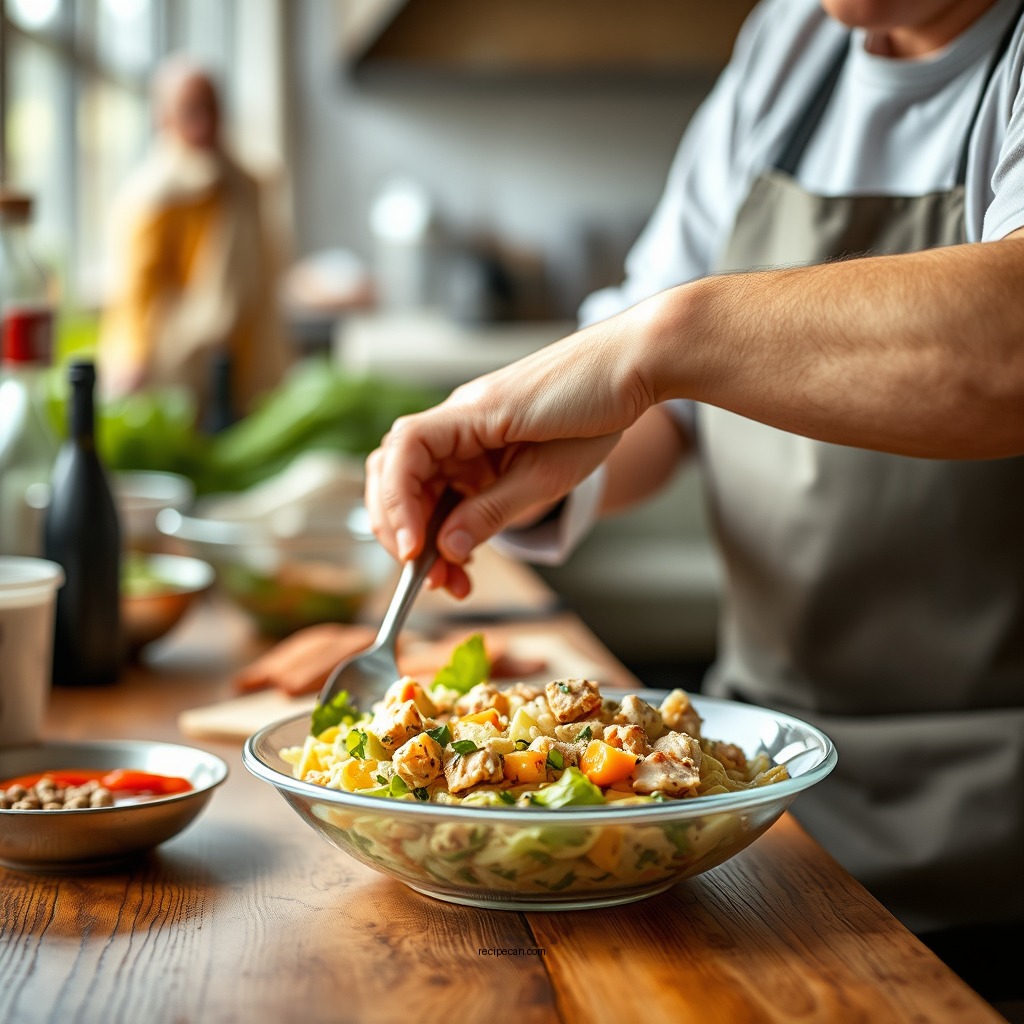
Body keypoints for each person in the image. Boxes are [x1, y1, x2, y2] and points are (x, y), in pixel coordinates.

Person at [365, 0, 1024, 1002]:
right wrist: (517, 465)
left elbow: (1003, 350)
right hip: (751, 809)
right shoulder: (789, 47)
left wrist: (661, 342)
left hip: (994, 845)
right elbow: (658, 408)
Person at [98, 54, 290, 420]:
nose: (204, 124)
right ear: (164, 118)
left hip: (246, 364)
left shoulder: (243, 185)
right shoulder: (153, 196)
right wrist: (130, 355)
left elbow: (265, 269)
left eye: (211, 109)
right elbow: (135, 285)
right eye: (190, 111)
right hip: (182, 367)